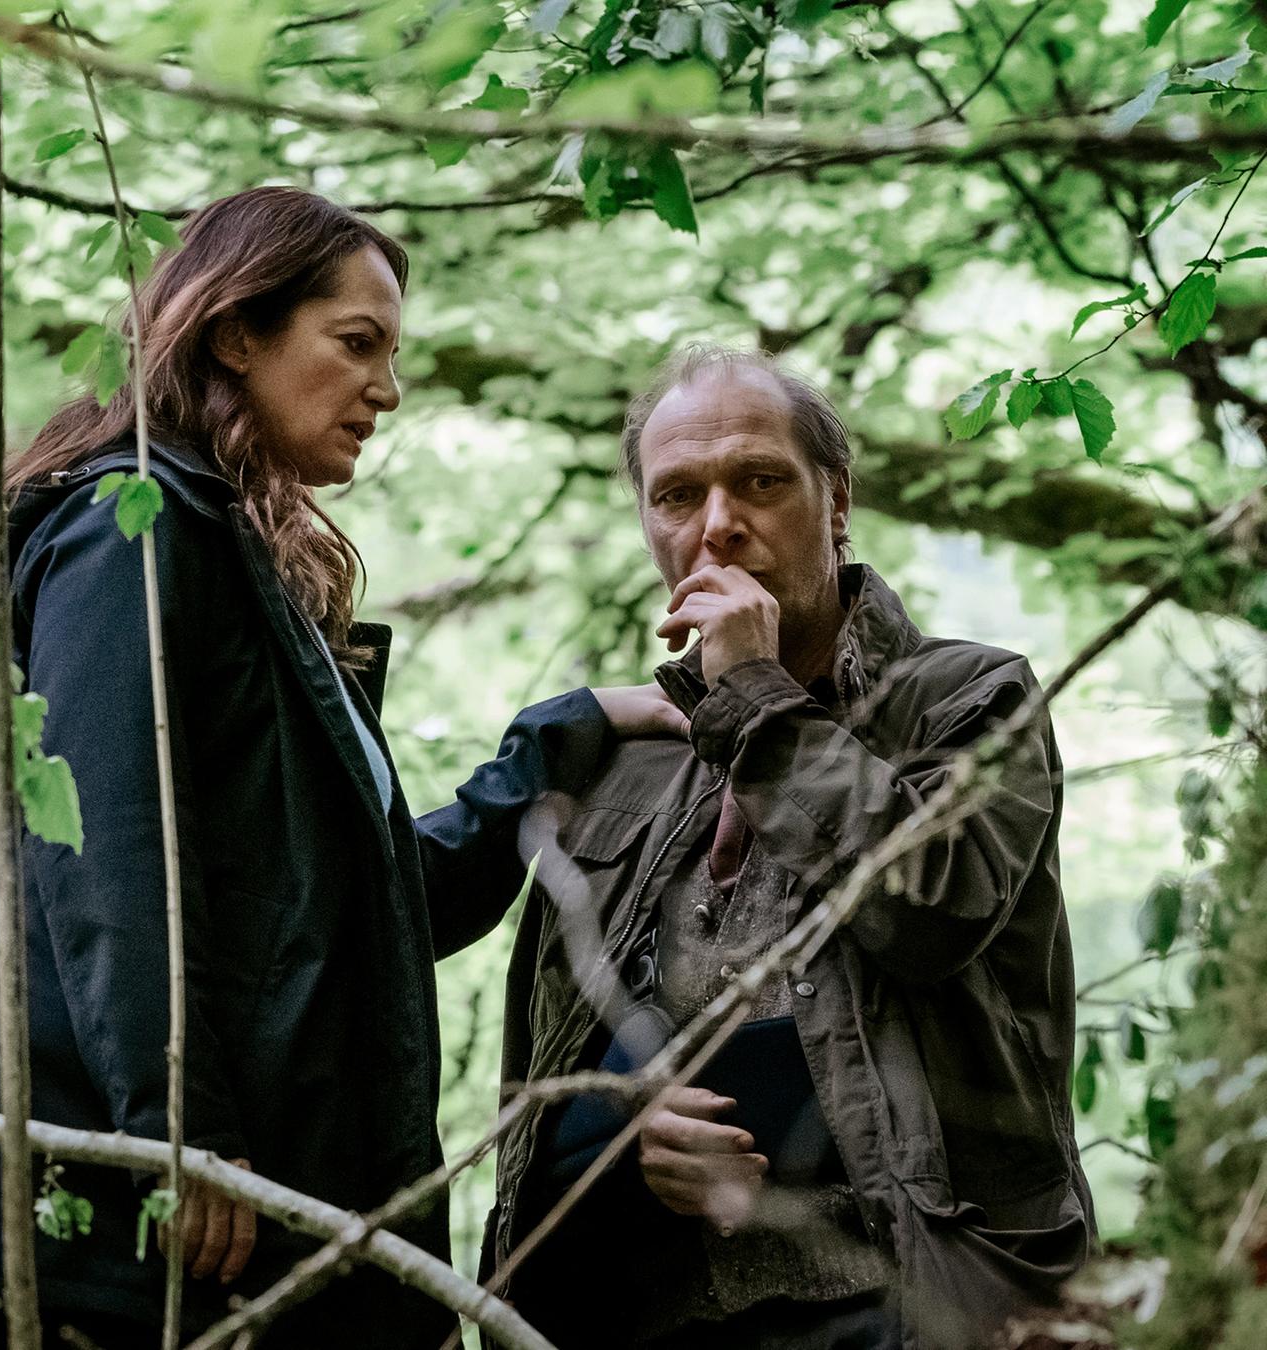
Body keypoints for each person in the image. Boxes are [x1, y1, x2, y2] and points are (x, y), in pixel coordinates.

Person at [0, 187, 679, 1349]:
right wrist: (180, 1127)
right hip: (93, 1226)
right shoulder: (135, 525)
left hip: (225, 1233)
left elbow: (360, 912)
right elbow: (102, 840)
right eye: (356, 344)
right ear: (237, 333)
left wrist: (563, 739)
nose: (387, 389)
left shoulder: (246, 574)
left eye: (393, 354)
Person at [467, 347, 1093, 1350]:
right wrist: (632, 1134)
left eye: (758, 480)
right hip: (644, 1312)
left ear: (835, 502)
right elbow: (541, 1093)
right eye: (677, 495)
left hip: (906, 1302)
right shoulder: (621, 760)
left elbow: (931, 911)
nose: (717, 523)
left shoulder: (971, 699)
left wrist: (757, 699)